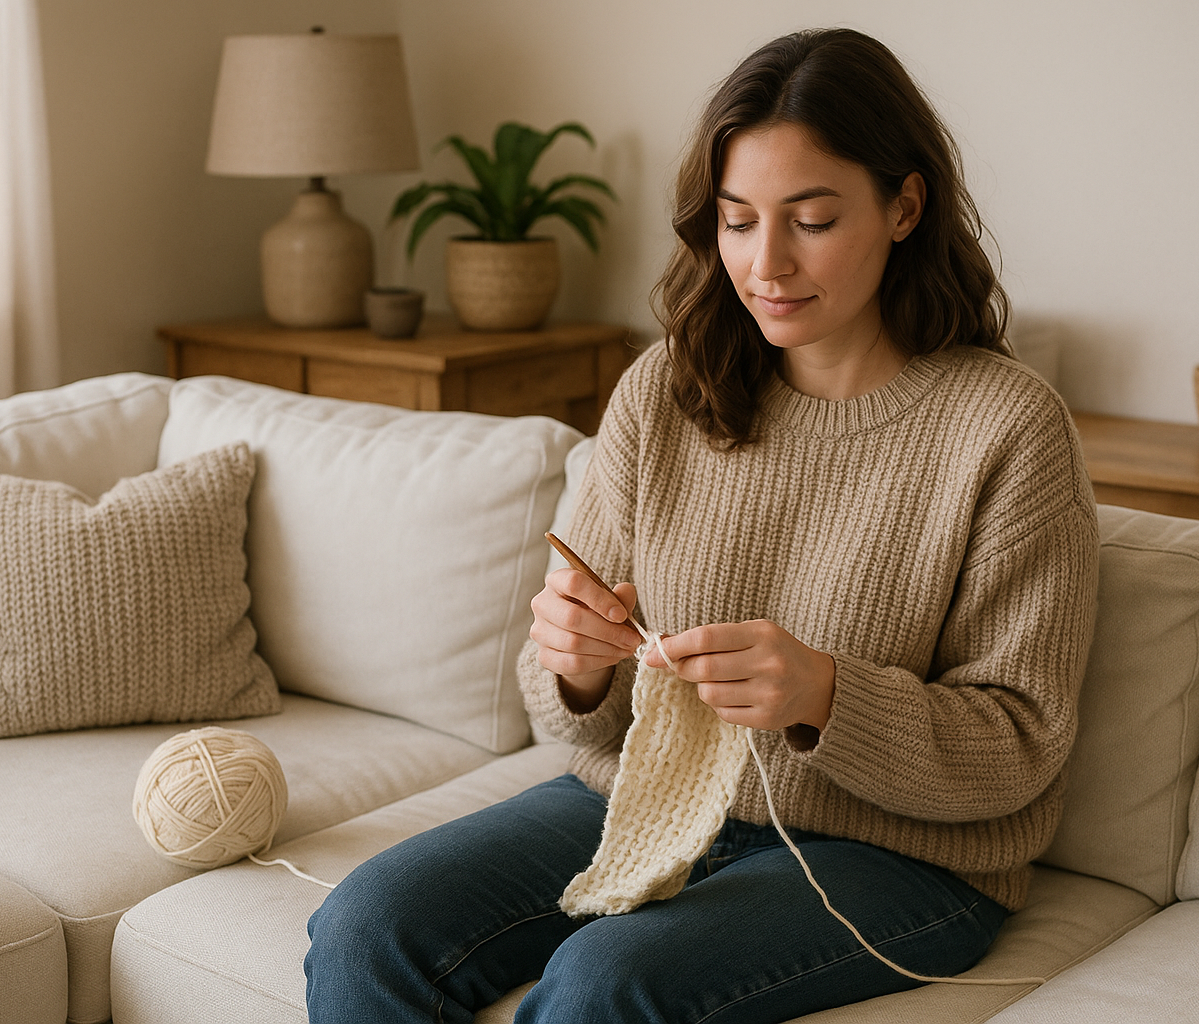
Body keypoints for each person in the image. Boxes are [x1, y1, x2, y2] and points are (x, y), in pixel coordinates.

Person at [304, 27, 1097, 1024]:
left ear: (905, 206)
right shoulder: (667, 388)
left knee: (604, 984)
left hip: (896, 854)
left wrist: (824, 693)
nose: (766, 263)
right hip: (649, 791)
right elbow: (568, 703)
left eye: (812, 220)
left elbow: (1021, 743)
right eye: (736, 220)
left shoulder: (1010, 429)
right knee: (365, 923)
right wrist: (578, 665)